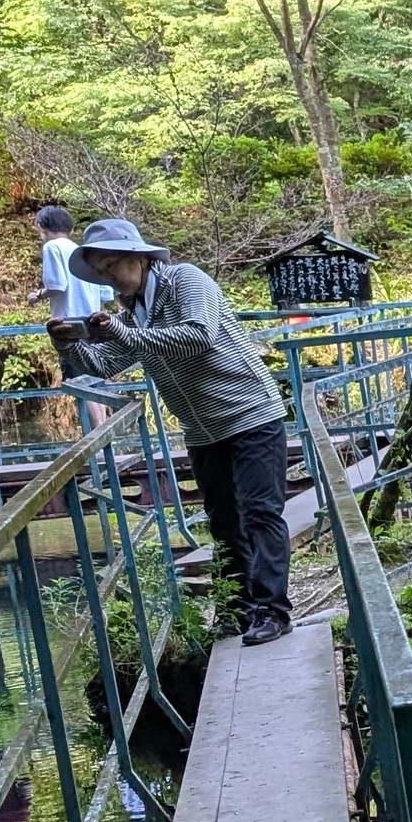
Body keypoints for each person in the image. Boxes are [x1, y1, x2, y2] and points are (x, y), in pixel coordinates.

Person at [51, 218, 297, 647]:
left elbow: (198, 335)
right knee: (224, 524)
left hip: (250, 412)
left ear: (139, 257)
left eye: (113, 267)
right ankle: (236, 610)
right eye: (103, 273)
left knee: (260, 514)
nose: (110, 279)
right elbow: (106, 364)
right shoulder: (134, 312)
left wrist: (124, 332)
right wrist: (69, 345)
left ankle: (273, 611)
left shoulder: (186, 280)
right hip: (202, 429)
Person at [36, 204, 114, 320]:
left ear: (41, 227)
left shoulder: (52, 247)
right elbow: (105, 293)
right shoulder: (82, 251)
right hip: (93, 320)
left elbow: (56, 286)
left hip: (68, 322)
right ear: (71, 230)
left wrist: (38, 295)